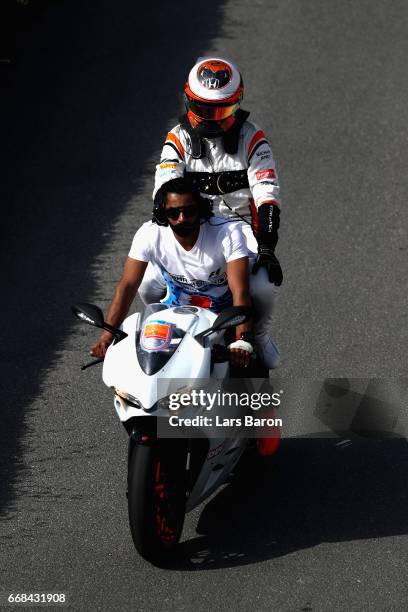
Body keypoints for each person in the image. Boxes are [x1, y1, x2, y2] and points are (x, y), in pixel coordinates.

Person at [153, 57, 282, 369]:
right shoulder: (178, 138)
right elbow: (165, 186)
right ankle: (161, 335)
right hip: (192, 229)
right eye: (203, 109)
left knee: (264, 287)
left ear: (236, 105)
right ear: (189, 101)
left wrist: (266, 248)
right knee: (148, 283)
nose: (211, 119)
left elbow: (267, 195)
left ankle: (255, 335)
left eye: (220, 111)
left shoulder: (253, 137)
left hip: (241, 232)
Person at [91, 177, 254, 368]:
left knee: (262, 287)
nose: (182, 218)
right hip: (177, 310)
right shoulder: (149, 234)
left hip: (224, 312)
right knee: (146, 284)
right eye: (173, 212)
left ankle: (259, 339)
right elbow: (127, 287)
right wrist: (107, 337)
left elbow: (240, 291)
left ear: (201, 209)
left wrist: (242, 340)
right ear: (162, 214)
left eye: (189, 210)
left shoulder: (228, 232)